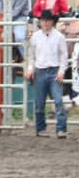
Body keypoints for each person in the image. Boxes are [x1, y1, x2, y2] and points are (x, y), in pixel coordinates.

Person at [26, 9, 68, 138]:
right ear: (40, 22)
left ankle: (60, 129)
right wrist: (30, 69)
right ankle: (41, 128)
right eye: (43, 20)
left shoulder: (59, 37)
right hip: (40, 70)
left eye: (47, 20)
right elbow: (31, 56)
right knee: (39, 103)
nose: (45, 22)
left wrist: (61, 71)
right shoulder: (35, 37)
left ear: (52, 21)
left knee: (58, 101)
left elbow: (64, 56)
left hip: (54, 70)